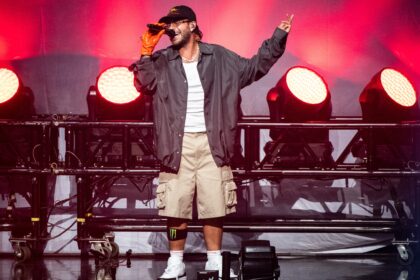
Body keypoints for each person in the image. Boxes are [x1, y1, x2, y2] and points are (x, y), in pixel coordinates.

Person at [133, 5, 293, 279]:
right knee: (175, 210)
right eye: (168, 24)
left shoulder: (220, 58)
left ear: (192, 26)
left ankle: (214, 261)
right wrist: (146, 52)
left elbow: (256, 66)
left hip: (212, 145)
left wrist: (277, 37)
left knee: (214, 208)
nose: (171, 29)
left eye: (176, 23)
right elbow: (143, 83)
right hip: (176, 147)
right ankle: (175, 261)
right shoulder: (162, 61)